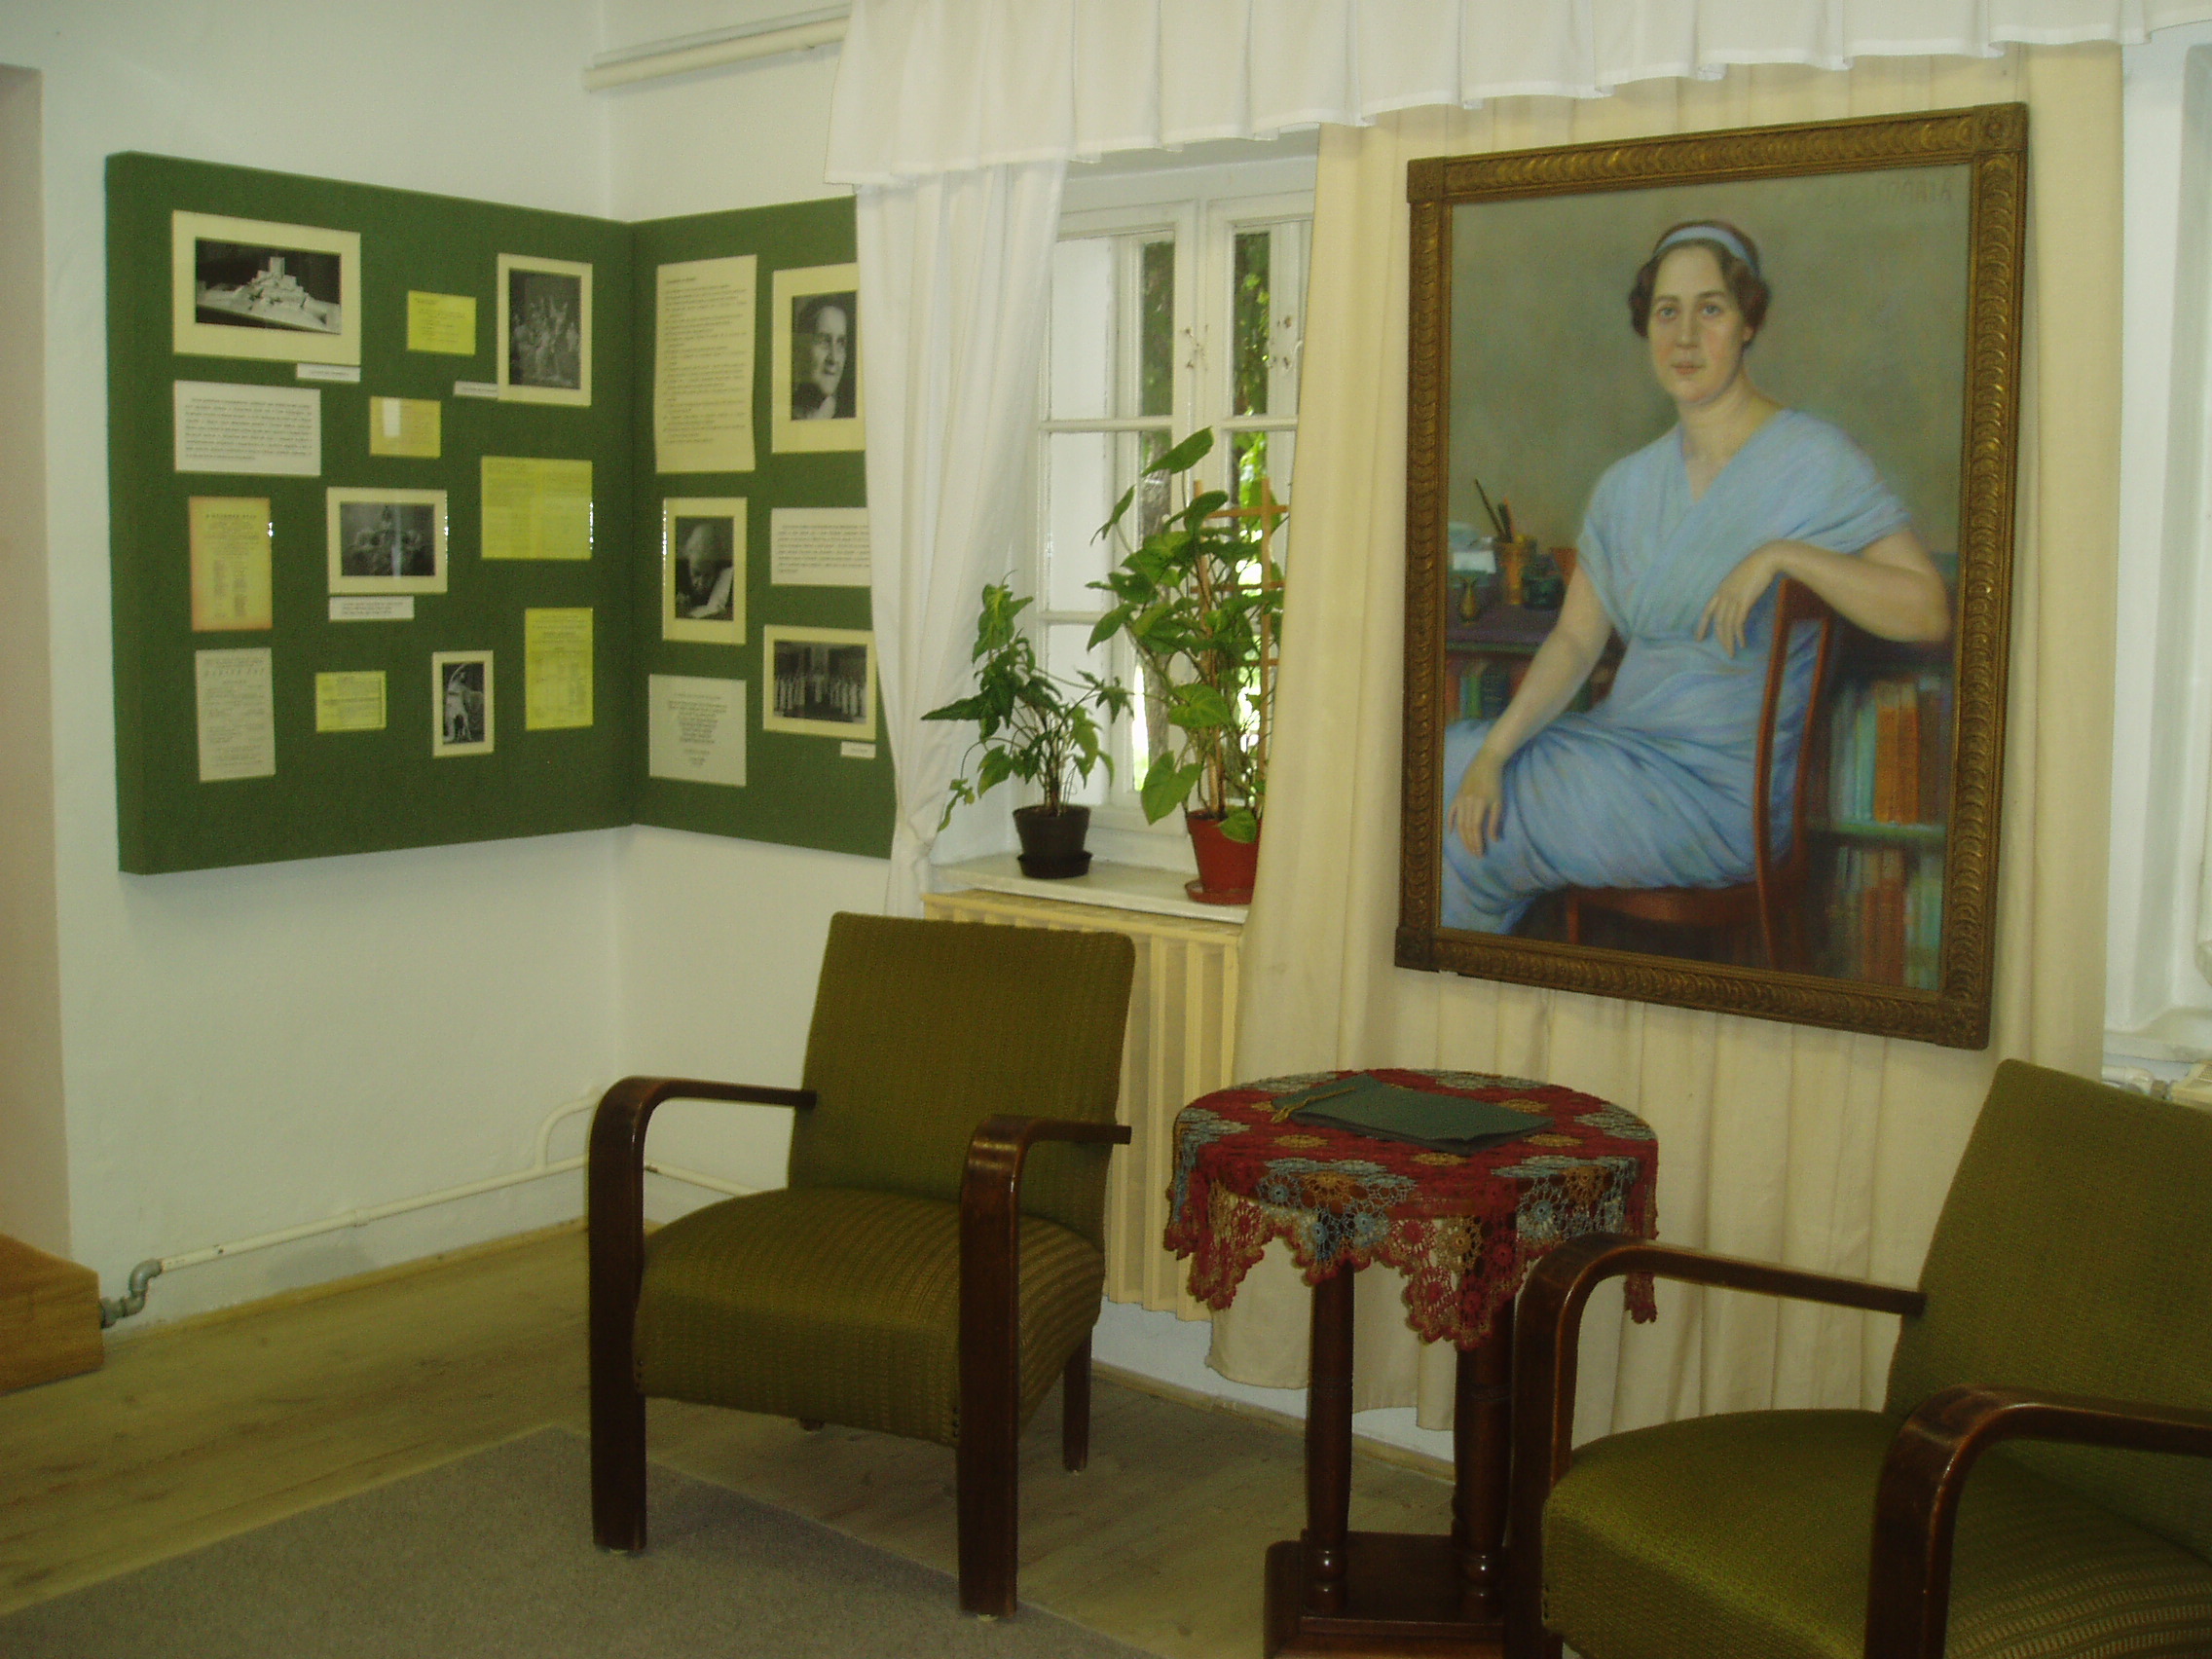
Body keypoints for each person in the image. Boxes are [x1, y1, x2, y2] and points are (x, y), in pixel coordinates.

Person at [1440, 220, 1951, 935]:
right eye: (1666, 312)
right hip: (1623, 752)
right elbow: (1576, 643)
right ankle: (1462, 970)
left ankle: (1461, 969)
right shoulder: (1626, 486)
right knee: (1453, 762)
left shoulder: (1814, 459)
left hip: (1717, 801)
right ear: (1645, 326)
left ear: (1748, 322)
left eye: (1710, 309)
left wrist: (1785, 556)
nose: (1685, 337)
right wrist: (1496, 751)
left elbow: (1928, 610)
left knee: (1467, 813)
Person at [792, 295, 853, 420]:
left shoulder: (848, 415)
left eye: (840, 343)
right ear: (800, 348)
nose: (834, 358)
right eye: (824, 341)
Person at [674, 521, 733, 619]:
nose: (701, 583)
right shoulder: (676, 574)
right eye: (696, 574)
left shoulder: (727, 578)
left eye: (708, 575)